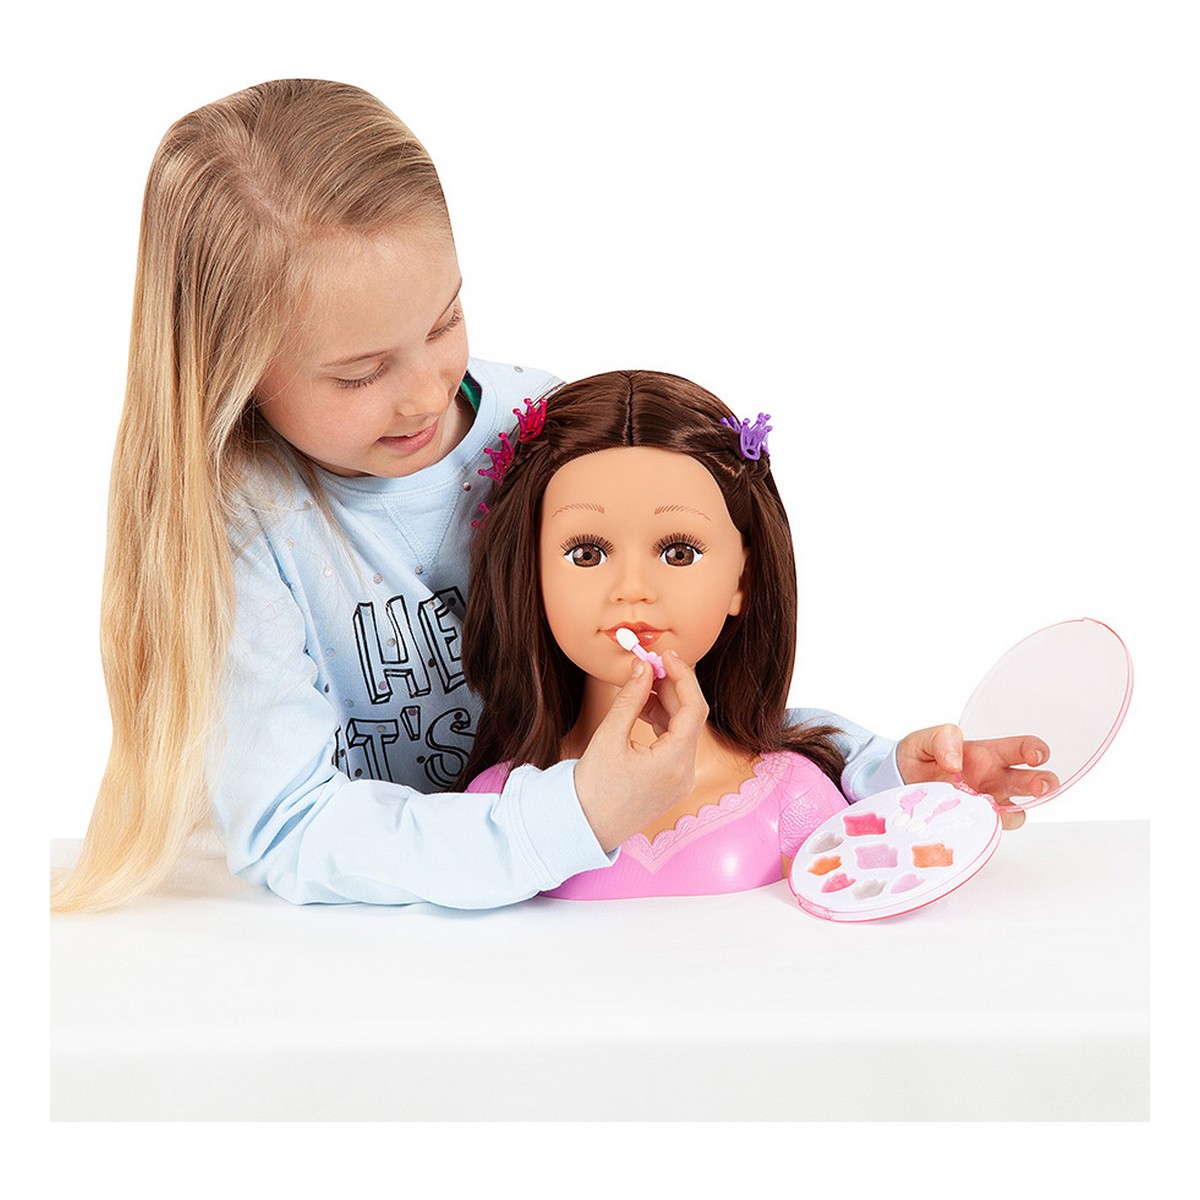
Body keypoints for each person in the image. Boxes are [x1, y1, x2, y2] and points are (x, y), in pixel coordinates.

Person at [50, 79, 1043, 914]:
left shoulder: (534, 429)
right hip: (372, 954)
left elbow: (678, 687)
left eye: (444, 322)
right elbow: (294, 829)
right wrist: (571, 820)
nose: (425, 393)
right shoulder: (243, 526)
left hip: (569, 922)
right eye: (360, 373)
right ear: (230, 371)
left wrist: (877, 770)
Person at [462, 371, 1058, 897]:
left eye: (678, 551)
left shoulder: (793, 798)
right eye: (586, 553)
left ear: (742, 579)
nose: (633, 589)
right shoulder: (494, 812)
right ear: (530, 576)